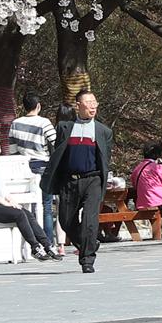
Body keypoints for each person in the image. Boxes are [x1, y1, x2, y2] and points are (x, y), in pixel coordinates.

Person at [43, 89, 112, 273]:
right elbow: (57, 154)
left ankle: (87, 260)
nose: (92, 106)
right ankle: (87, 243)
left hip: (93, 179)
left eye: (94, 102)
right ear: (78, 105)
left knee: (90, 221)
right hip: (69, 181)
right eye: (88, 102)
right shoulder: (65, 128)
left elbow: (105, 158)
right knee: (66, 220)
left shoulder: (103, 131)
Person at [0, 136, 58, 260]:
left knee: (26, 213)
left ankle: (47, 245)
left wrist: (12, 201)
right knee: (19, 214)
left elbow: (2, 190)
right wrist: (6, 204)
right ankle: (35, 247)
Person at [8, 92, 59, 253]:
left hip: (23, 168)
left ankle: (34, 242)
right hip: (43, 166)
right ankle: (48, 242)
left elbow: (12, 150)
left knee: (29, 207)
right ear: (38, 106)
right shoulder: (44, 122)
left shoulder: (15, 123)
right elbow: (56, 142)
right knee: (46, 206)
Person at [128, 142, 162, 235]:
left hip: (142, 201)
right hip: (157, 200)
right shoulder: (156, 167)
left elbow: (134, 183)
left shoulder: (138, 167)